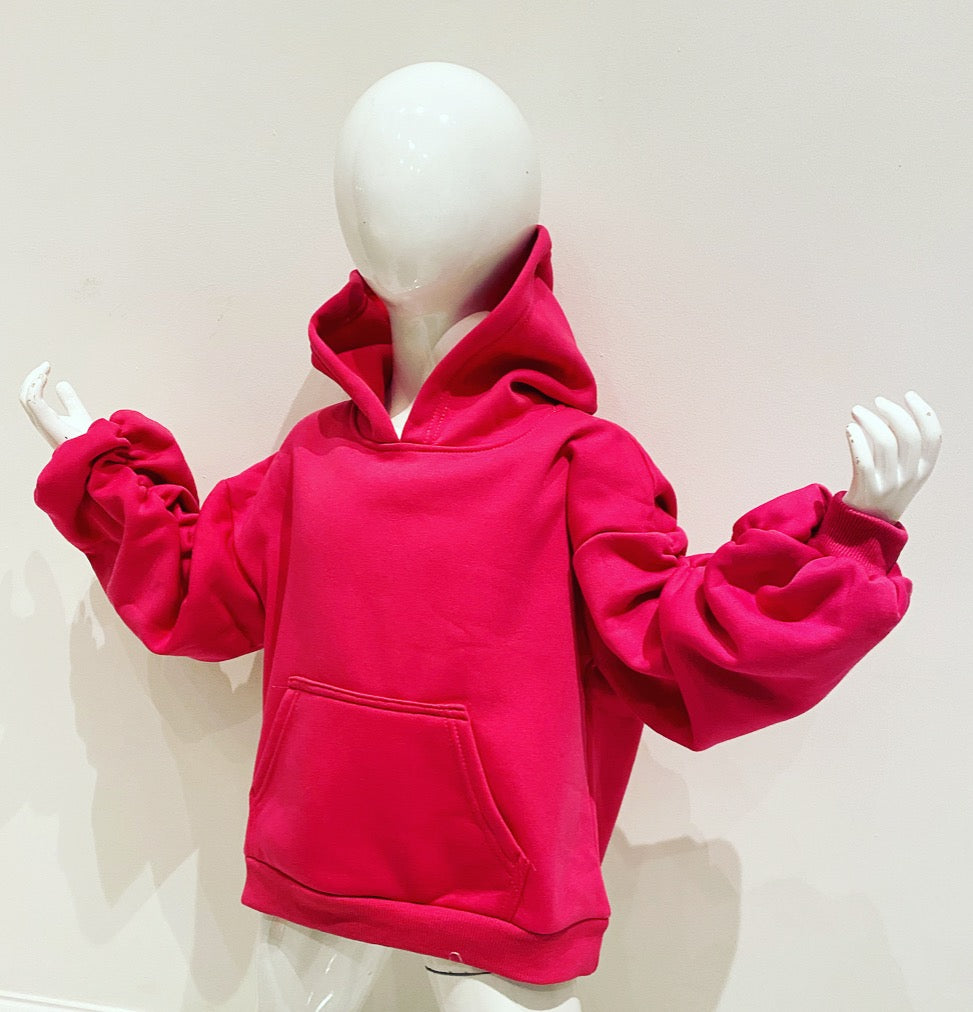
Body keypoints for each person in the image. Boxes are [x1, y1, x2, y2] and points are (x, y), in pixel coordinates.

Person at [21, 63, 941, 1012]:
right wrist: (100, 471)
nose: (392, 200)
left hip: (496, 897)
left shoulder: (576, 462)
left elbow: (674, 646)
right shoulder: (312, 459)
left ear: (511, 220)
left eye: (437, 173)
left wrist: (849, 543)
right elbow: (195, 590)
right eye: (370, 176)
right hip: (315, 871)